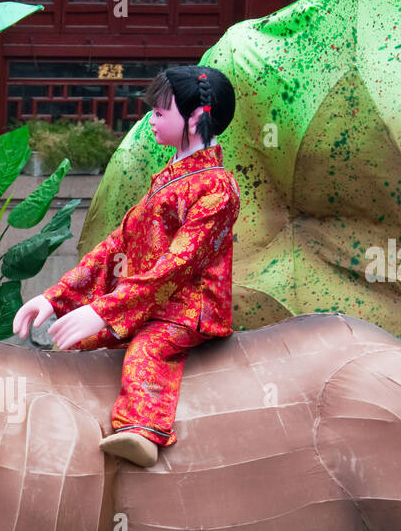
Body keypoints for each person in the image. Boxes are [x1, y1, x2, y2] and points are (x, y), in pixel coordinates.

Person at [12, 65, 241, 467]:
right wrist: (56, 299)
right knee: (74, 349)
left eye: (160, 112)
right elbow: (117, 245)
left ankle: (142, 431)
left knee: (145, 352)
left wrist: (103, 311)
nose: (151, 119)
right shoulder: (170, 179)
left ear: (195, 119)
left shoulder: (218, 190)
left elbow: (175, 267)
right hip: (146, 299)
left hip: (187, 309)